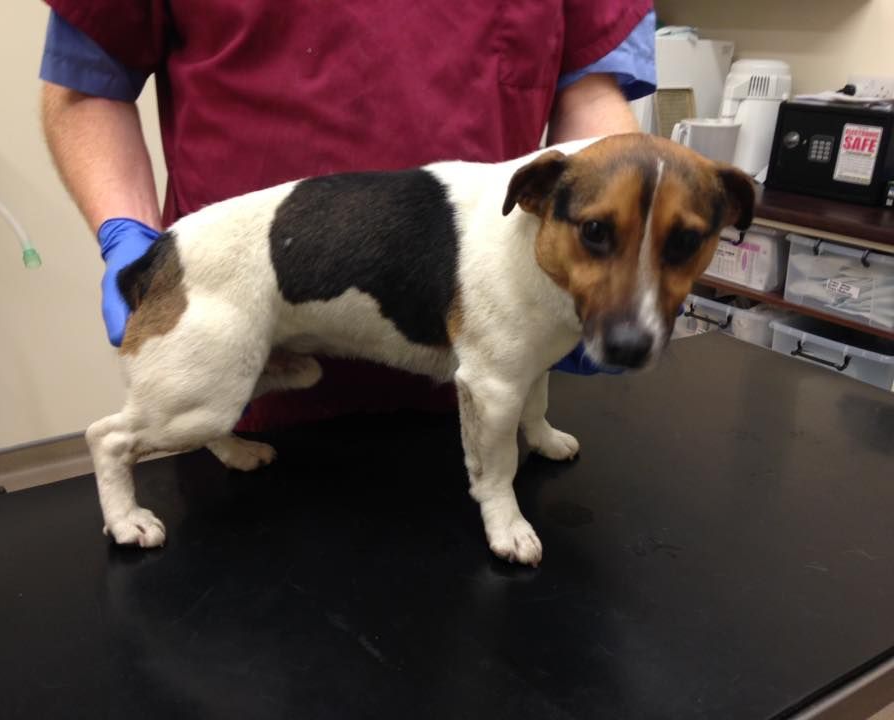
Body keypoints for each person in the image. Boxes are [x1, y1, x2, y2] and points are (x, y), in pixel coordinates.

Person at [40, 1, 656, 431]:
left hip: (491, 370)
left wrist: (610, 256)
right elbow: (88, 82)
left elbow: (590, 93)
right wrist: (126, 232)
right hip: (245, 347)